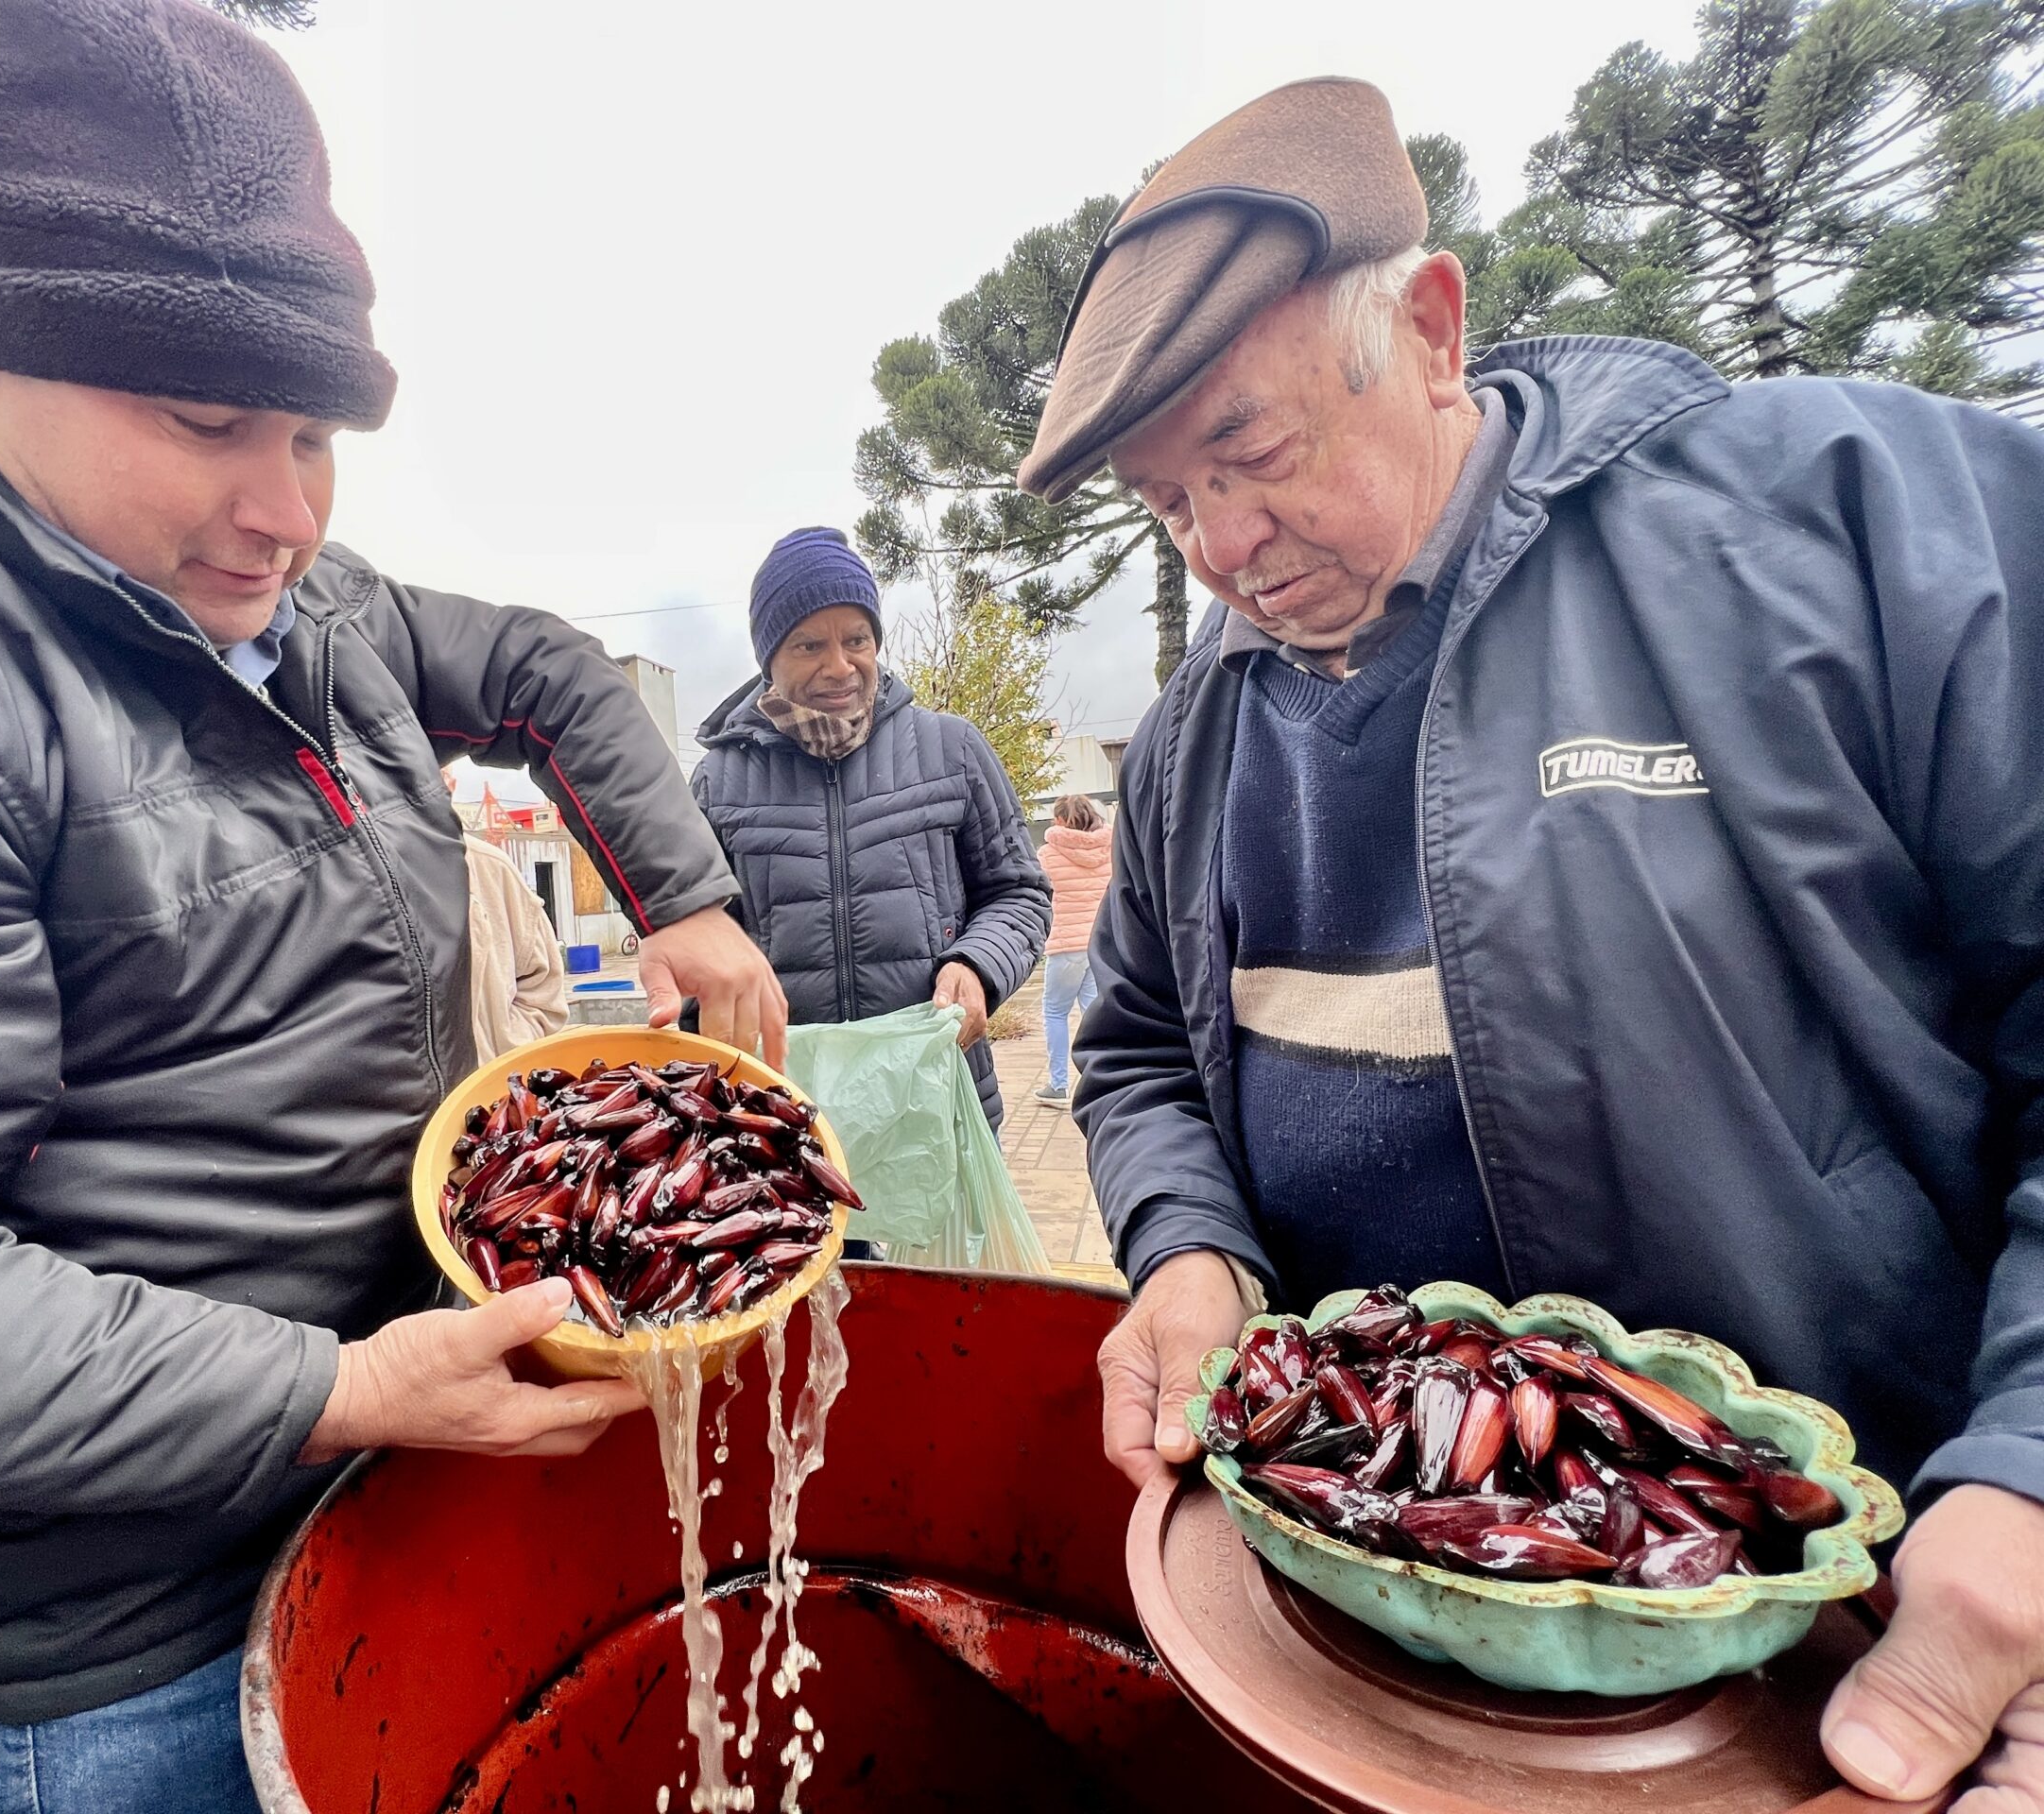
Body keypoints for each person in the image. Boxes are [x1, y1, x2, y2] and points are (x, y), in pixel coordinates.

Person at [0, 2, 785, 1808]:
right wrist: (333, 1392)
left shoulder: (295, 613)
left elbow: (547, 665)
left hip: (393, 1482)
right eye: (210, 420)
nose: (288, 510)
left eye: (316, 436)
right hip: (123, 1649)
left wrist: (691, 901)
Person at [1022, 77, 2044, 1807]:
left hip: (1847, 1662)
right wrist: (1188, 1251)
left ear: (1429, 329)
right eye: (1166, 502)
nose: (1223, 550)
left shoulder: (1852, 524)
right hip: (1356, 1650)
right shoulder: (1200, 738)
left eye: (1255, 457)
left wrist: (2026, 1476)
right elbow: (1131, 1049)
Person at [690, 526, 1052, 1132]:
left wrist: (978, 965)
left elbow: (1020, 892)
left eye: (856, 639)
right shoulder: (719, 782)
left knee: (942, 1231)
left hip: (933, 1096)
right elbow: (695, 939)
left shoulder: (951, 750)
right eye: (808, 646)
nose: (840, 666)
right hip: (783, 1116)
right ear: (768, 659)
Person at [446, 769, 574, 1061]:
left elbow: (544, 990)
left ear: (449, 786)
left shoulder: (492, 868)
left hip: (489, 1094)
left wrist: (506, 1051)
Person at [1034, 794, 1113, 1105]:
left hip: (1065, 946)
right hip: (1097, 945)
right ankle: (1099, 1081)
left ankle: (1058, 1084)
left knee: (1055, 1012)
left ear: (1060, 821)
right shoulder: (1109, 849)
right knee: (1093, 1014)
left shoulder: (1047, 854)